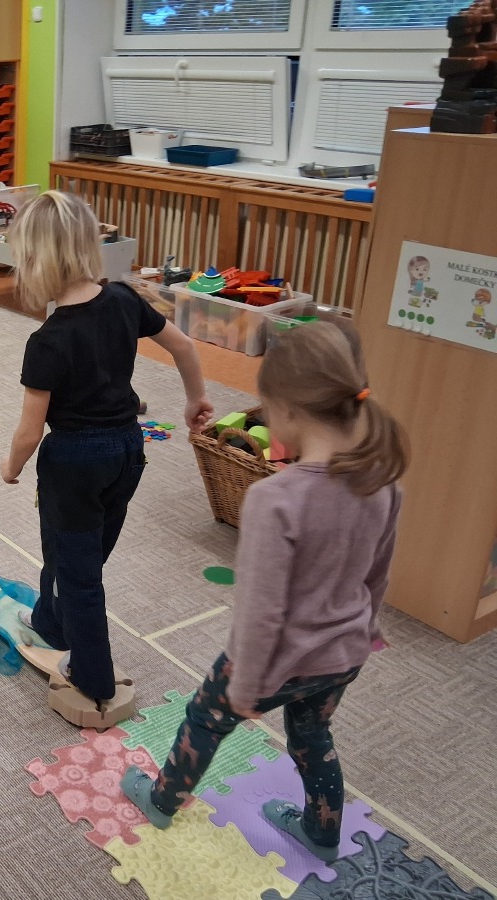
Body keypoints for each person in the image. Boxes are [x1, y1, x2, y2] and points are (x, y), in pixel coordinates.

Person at [122, 321, 407, 863]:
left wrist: (247, 687)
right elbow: (378, 574)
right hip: (343, 655)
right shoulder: (384, 482)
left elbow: (261, 610)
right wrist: (367, 630)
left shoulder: (277, 499)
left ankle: (161, 801)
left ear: (290, 412)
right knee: (313, 737)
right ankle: (322, 832)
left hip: (272, 659)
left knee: (204, 721)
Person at [1, 190, 213, 708]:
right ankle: (52, 622)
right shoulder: (121, 298)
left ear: (35, 261)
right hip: (126, 451)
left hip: (72, 463)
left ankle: (93, 679)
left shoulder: (47, 340)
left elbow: (30, 432)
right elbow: (183, 345)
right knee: (79, 551)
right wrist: (195, 400)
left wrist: (10, 466)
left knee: (79, 574)